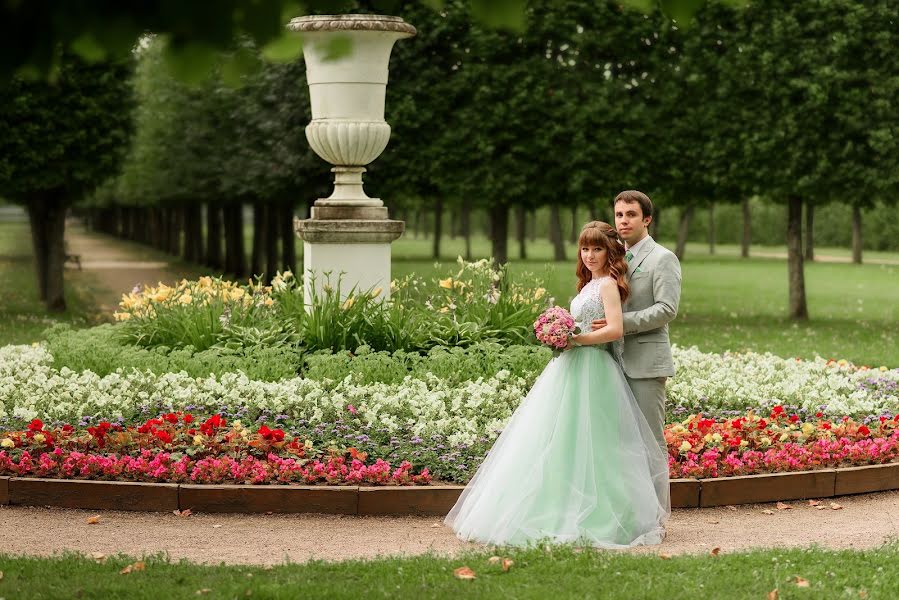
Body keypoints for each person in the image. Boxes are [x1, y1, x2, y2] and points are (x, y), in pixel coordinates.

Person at [445, 221, 669, 548]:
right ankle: (558, 506)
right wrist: (561, 334)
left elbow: (615, 330)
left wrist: (575, 339)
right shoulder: (586, 286)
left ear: (610, 251)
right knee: (562, 438)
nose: (590, 255)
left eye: (597, 249)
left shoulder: (607, 284)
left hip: (594, 368)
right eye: (585, 249)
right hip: (572, 366)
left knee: (597, 443)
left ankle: (608, 514)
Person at [593, 190, 681, 454]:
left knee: (650, 442)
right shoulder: (612, 257)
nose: (623, 221)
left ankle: (655, 498)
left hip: (645, 363)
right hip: (610, 362)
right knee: (620, 443)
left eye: (631, 214)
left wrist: (619, 322)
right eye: (619, 215)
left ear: (647, 220)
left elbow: (667, 309)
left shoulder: (662, 258)